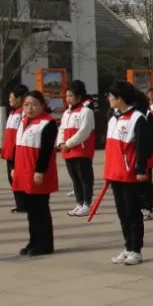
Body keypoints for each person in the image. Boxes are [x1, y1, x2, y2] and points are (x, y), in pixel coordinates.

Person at [104, 81, 153, 265]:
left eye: (111, 96)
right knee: (122, 214)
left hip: (130, 175)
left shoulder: (137, 118)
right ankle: (128, 247)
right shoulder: (113, 118)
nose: (109, 99)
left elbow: (144, 146)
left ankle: (136, 250)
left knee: (133, 213)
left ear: (120, 98)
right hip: (114, 173)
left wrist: (140, 169)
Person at [12, 91, 59, 257]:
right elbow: (17, 146)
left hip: (37, 173)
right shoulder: (23, 121)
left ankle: (44, 244)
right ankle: (33, 241)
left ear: (42, 105)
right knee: (31, 211)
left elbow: (46, 151)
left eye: (34, 104)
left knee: (40, 210)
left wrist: (40, 171)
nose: (29, 108)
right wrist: (13, 166)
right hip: (24, 172)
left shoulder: (48, 123)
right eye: (26, 105)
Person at [58, 80, 96, 217]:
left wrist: (68, 143)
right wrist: (61, 143)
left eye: (71, 96)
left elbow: (84, 131)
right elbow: (62, 129)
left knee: (84, 178)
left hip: (81, 151)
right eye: (67, 96)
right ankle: (79, 203)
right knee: (75, 178)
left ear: (79, 97)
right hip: (68, 151)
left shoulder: (86, 112)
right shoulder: (66, 113)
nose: (68, 98)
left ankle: (87, 204)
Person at [0, 84, 28, 213]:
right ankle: (20, 204)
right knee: (12, 179)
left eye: (12, 97)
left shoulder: (24, 113)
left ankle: (24, 205)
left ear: (20, 98)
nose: (9, 99)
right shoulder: (12, 113)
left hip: (18, 151)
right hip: (10, 152)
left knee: (19, 178)